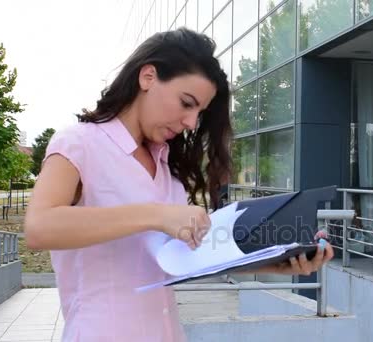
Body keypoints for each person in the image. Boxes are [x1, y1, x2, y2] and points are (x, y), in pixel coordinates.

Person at [24, 28, 334, 342]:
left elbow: (176, 261)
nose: (191, 122)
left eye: (199, 112)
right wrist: (155, 214)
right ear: (148, 77)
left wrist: (272, 263)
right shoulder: (79, 142)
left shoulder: (166, 167)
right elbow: (39, 226)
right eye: (187, 103)